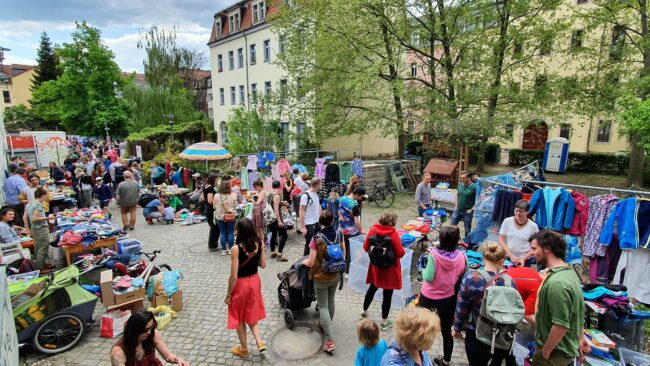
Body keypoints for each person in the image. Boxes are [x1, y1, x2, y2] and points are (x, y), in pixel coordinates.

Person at [530, 230, 589, 365]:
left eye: (534, 249)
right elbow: (576, 311)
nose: (532, 253)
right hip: (560, 351)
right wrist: (580, 337)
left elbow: (561, 325)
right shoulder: (568, 272)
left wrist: (546, 351)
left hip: (554, 354)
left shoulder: (558, 283)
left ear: (547, 249)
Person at [452, 242, 516, 366]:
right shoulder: (510, 281)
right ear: (502, 261)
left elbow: (462, 307)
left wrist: (457, 328)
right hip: (500, 335)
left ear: (483, 258)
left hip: (477, 332)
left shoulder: (471, 278)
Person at [418, 226, 466, 366]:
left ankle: (418, 357)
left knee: (421, 327)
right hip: (448, 298)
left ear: (441, 240)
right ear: (457, 240)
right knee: (446, 330)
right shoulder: (462, 256)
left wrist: (424, 267)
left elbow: (428, 276)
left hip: (428, 297)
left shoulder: (434, 255)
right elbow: (460, 274)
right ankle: (446, 360)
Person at [302, 209, 344, 352]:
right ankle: (327, 325)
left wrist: (303, 263)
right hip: (336, 275)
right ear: (332, 220)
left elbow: (312, 262)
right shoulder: (340, 234)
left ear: (320, 223)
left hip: (321, 277)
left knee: (323, 306)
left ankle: (329, 340)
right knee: (331, 301)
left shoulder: (316, 239)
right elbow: (343, 254)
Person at [225, 219, 267, 358]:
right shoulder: (259, 244)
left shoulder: (236, 249)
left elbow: (233, 276)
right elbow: (263, 265)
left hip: (241, 285)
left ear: (239, 231)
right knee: (251, 314)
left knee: (239, 318)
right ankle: (260, 342)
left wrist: (228, 294)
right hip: (255, 281)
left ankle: (244, 349)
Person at [361, 211, 405, 331]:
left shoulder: (373, 230)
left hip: (376, 268)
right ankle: (384, 322)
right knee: (387, 295)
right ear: (393, 222)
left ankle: (364, 312)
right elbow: (401, 253)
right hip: (389, 270)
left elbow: (365, 247)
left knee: (372, 288)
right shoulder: (393, 233)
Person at [110, 310, 189, 366]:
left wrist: (178, 359)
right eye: (145, 330)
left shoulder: (152, 333)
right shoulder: (118, 351)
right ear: (135, 329)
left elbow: (168, 356)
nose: (149, 332)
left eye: (151, 328)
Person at [499, 199, 539, 267]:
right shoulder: (507, 221)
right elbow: (501, 239)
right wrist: (511, 256)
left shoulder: (533, 226)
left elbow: (535, 246)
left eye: (521, 211)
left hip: (526, 260)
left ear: (527, 212)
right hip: (508, 258)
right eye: (516, 210)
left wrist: (523, 259)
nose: (518, 213)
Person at [26, 187, 56, 273]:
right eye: (46, 196)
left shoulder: (31, 203)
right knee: (43, 248)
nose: (47, 198)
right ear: (43, 196)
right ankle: (40, 268)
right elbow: (34, 218)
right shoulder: (38, 205)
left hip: (35, 229)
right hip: (40, 229)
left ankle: (42, 264)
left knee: (38, 248)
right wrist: (48, 217)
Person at [339, 187, 365, 274]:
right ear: (357, 194)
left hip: (342, 229)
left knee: (344, 249)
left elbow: (339, 212)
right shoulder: (354, 204)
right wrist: (361, 229)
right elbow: (356, 221)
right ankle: (347, 272)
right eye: (361, 196)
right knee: (351, 251)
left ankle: (341, 267)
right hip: (352, 231)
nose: (362, 198)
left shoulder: (342, 198)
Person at [214, 180, 238, 256]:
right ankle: (230, 249)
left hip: (220, 216)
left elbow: (214, 206)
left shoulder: (217, 195)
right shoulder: (233, 195)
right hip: (230, 216)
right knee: (230, 232)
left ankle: (224, 250)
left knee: (222, 233)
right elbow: (236, 206)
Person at [300, 177, 322, 256]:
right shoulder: (305, 195)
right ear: (317, 185)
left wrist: (321, 219)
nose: (321, 185)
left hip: (316, 222)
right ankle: (305, 262)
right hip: (309, 223)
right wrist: (303, 227)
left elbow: (318, 206)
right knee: (309, 244)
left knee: (317, 243)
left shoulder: (316, 193)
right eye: (320, 184)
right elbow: (301, 211)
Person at [451, 171, 476, 238]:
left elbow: (479, 200)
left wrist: (471, 209)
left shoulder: (474, 187)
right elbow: (457, 194)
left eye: (463, 178)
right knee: (451, 227)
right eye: (461, 178)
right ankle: (454, 240)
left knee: (467, 229)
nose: (462, 179)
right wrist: (456, 205)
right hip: (458, 210)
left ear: (469, 178)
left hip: (467, 212)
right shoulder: (460, 185)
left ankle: (467, 244)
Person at [268, 180, 288, 262]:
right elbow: (276, 209)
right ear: (280, 186)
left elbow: (272, 205)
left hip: (271, 219)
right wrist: (279, 220)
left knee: (273, 234)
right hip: (276, 219)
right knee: (284, 235)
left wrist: (282, 203)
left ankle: (272, 252)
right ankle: (279, 253)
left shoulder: (270, 194)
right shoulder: (276, 196)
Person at [203, 174, 220, 252]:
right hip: (211, 210)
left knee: (214, 227)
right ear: (214, 180)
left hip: (208, 209)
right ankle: (212, 246)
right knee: (214, 227)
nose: (217, 180)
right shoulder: (210, 188)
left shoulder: (207, 186)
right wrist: (219, 200)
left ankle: (213, 244)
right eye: (217, 179)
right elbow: (210, 200)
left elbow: (204, 198)